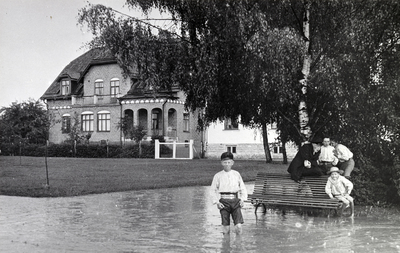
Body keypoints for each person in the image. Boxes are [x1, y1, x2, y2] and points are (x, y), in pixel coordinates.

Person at [211, 152, 248, 234]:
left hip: (235, 201)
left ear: (232, 163)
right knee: (226, 227)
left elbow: (243, 188)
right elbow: (212, 190)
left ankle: (239, 244)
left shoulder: (236, 174)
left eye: (229, 162)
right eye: (225, 162)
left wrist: (242, 200)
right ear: (221, 163)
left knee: (238, 226)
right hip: (224, 202)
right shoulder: (218, 176)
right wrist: (217, 202)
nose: (227, 164)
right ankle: (225, 244)